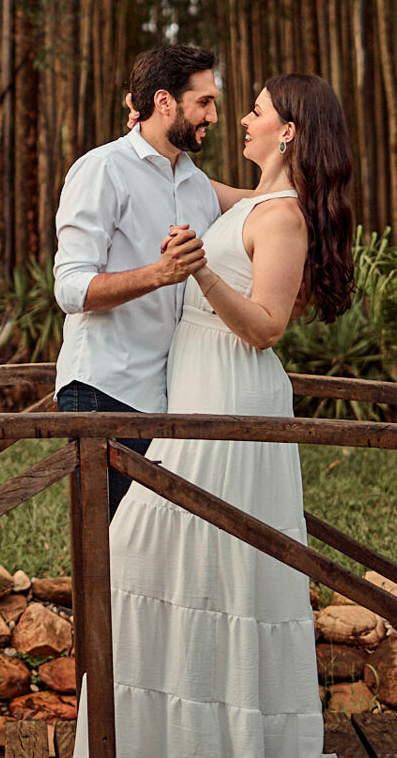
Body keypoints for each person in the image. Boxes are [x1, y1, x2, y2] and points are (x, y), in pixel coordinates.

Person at [79, 73, 355, 757]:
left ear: (287, 131)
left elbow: (265, 326)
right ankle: (170, 737)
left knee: (211, 560)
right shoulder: (252, 200)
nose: (240, 120)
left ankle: (230, 736)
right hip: (195, 397)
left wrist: (200, 273)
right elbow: (176, 180)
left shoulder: (285, 217)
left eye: (255, 112)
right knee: (165, 559)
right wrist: (144, 120)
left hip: (234, 401)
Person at [53, 43, 223, 518]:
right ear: (164, 101)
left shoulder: (197, 186)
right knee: (105, 557)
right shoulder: (102, 169)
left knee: (150, 565)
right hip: (104, 392)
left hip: (172, 399)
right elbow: (70, 289)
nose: (212, 114)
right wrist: (159, 274)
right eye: (204, 102)